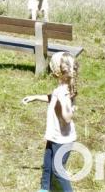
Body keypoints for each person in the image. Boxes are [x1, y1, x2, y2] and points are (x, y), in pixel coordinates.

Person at [22, 52, 79, 192]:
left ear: (57, 71)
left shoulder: (63, 93)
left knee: (58, 170)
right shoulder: (62, 88)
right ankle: (45, 188)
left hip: (63, 140)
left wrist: (65, 107)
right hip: (55, 136)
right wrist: (34, 97)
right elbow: (52, 97)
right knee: (47, 164)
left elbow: (67, 118)